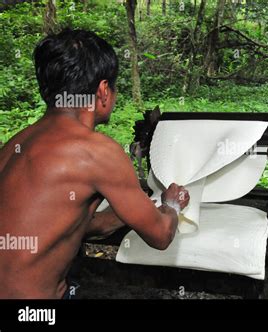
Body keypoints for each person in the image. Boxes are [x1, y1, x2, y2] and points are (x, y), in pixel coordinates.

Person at [0, 29, 189, 299]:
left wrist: (133, 211)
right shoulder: (96, 151)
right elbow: (160, 236)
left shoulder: (15, 145)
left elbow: (61, 224)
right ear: (103, 91)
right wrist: (171, 206)